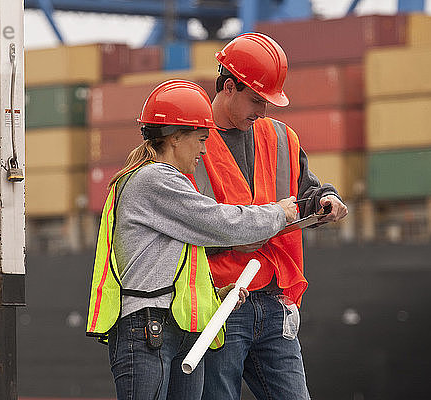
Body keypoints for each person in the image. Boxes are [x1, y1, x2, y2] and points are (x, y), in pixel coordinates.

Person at [86, 79, 299, 400]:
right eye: (200, 139)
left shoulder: (160, 182)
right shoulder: (155, 180)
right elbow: (220, 223)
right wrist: (280, 213)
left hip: (171, 327)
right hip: (148, 331)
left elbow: (168, 263)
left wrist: (216, 293)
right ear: (174, 139)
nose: (203, 149)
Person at [194, 33, 349, 400]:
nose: (263, 112)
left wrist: (326, 199)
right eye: (256, 100)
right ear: (229, 86)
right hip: (221, 300)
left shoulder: (281, 137)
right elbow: (183, 223)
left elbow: (305, 192)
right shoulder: (191, 143)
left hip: (275, 302)